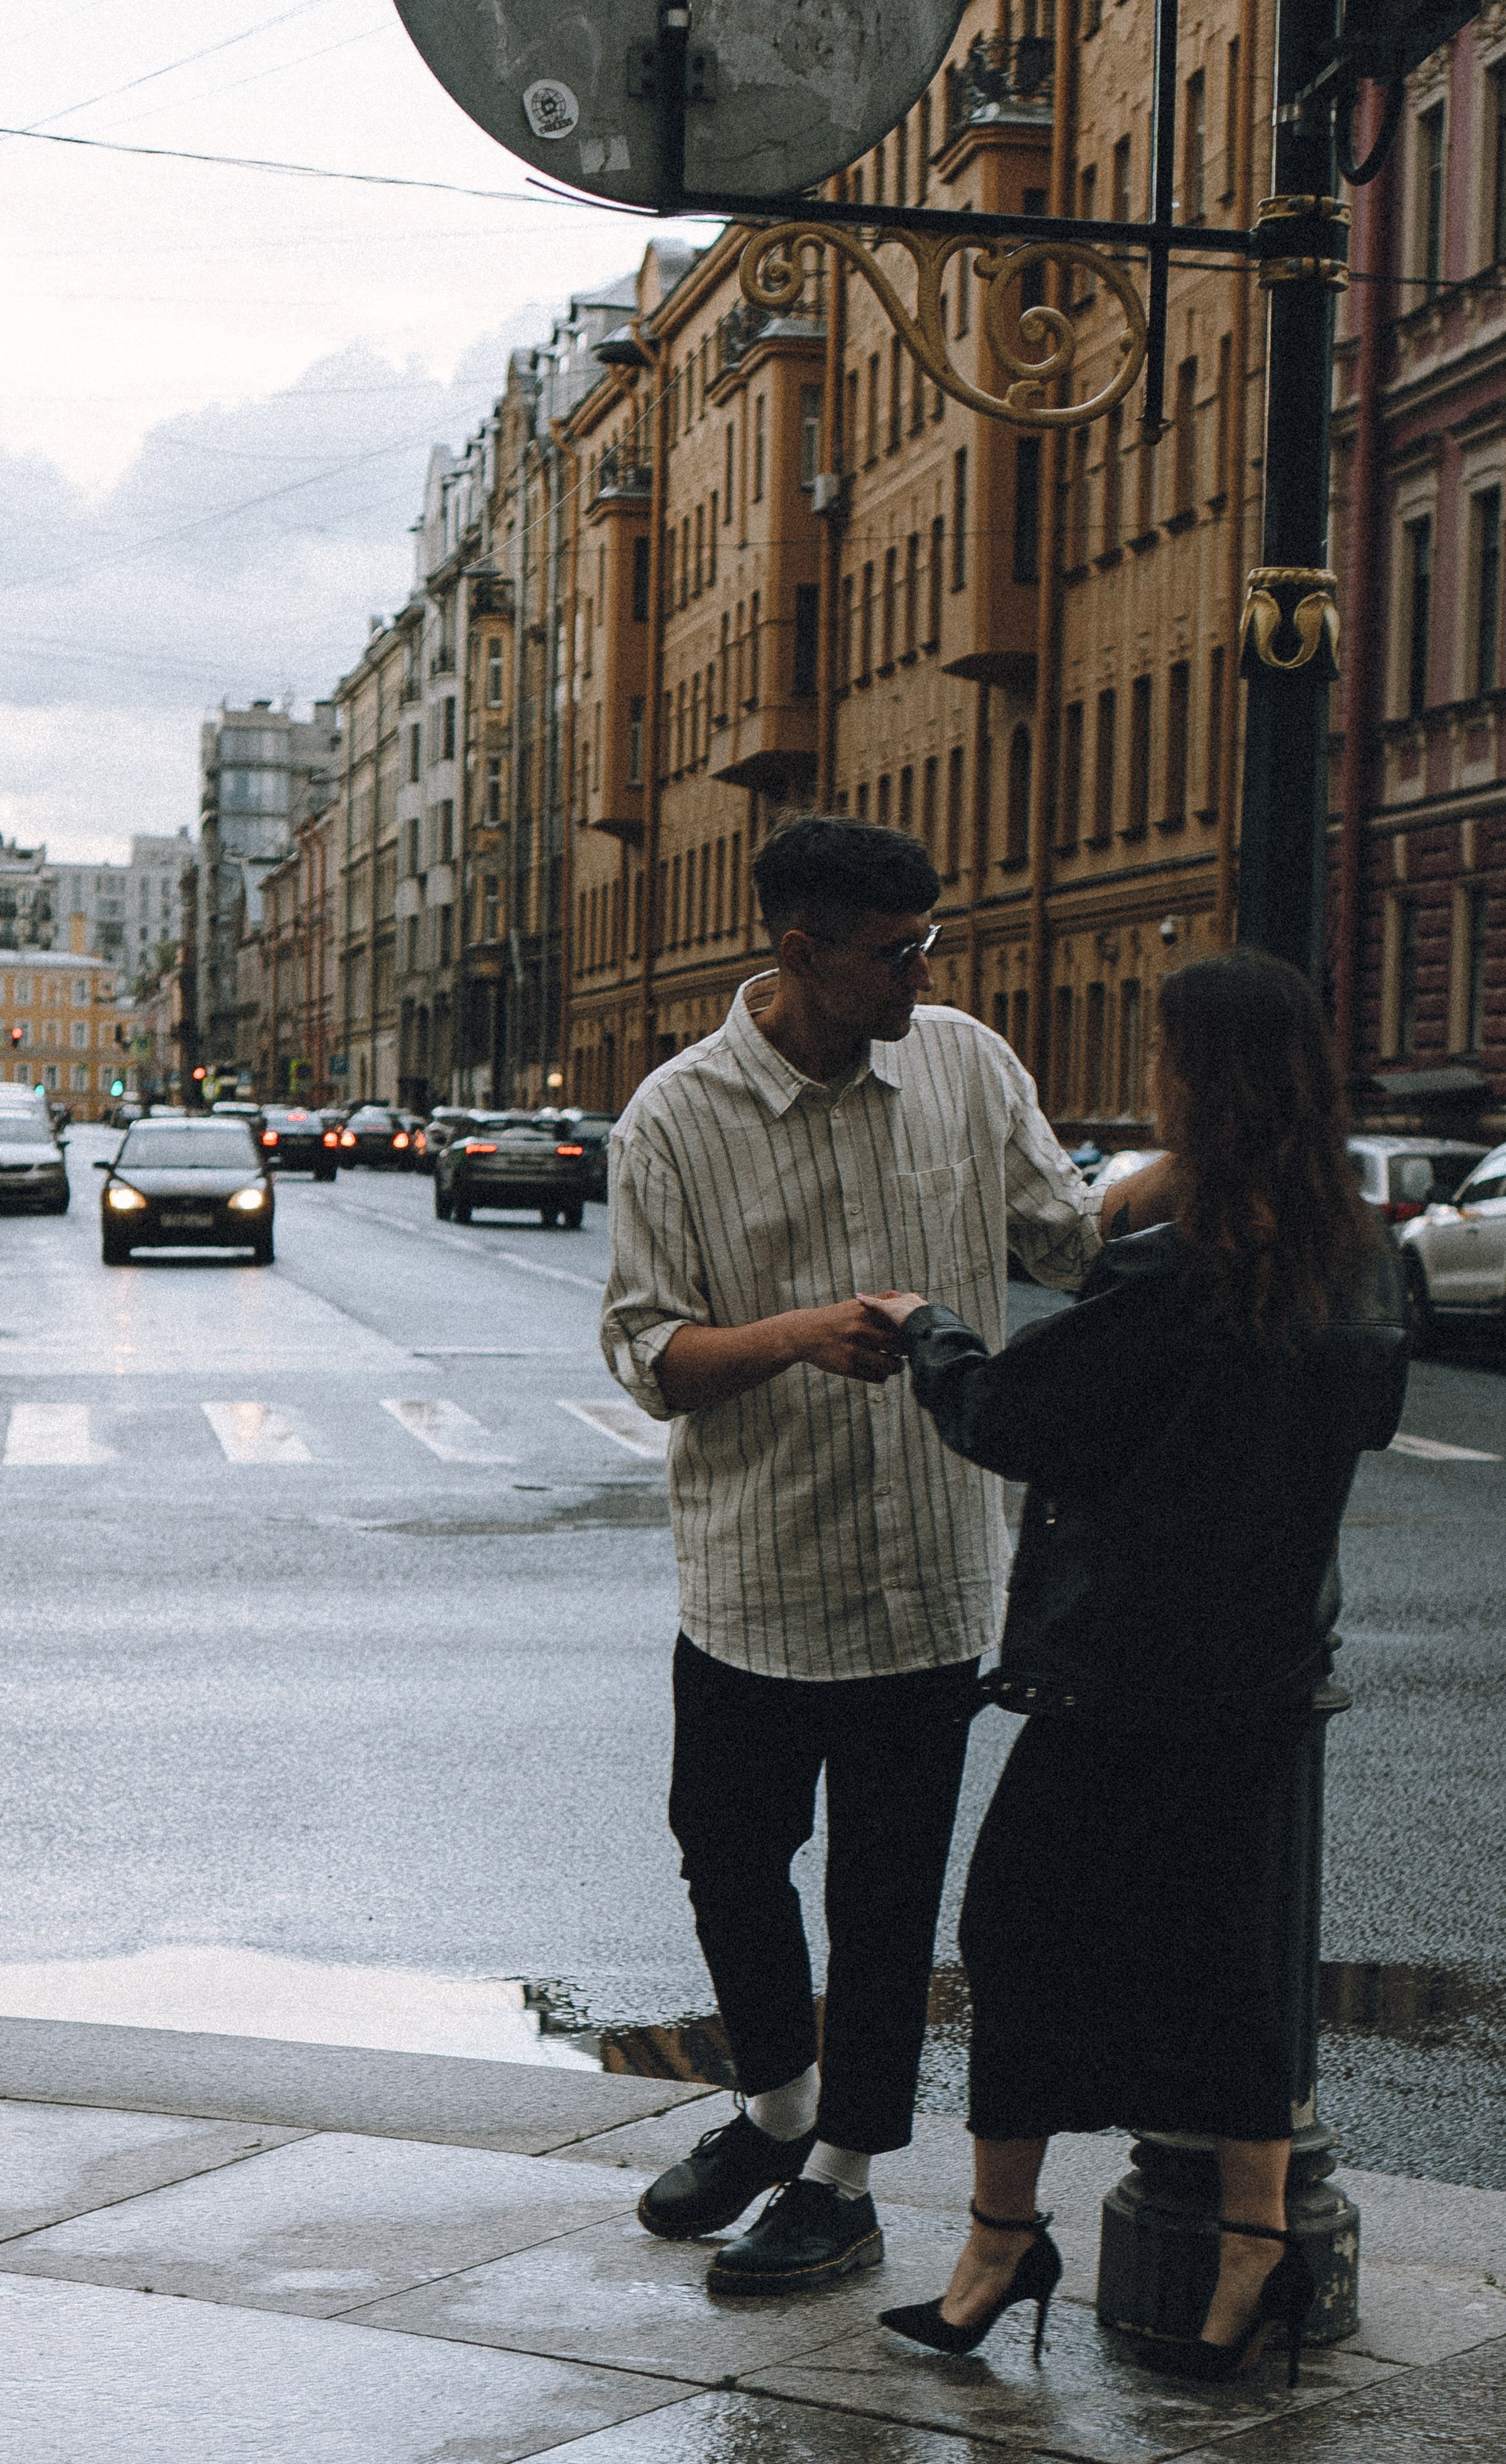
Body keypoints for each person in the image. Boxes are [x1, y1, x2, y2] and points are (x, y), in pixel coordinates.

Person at [599, 816, 1173, 2294]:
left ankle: (844, 2178)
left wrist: (1215, 1163)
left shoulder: (969, 1067)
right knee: (726, 1856)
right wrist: (799, 1335)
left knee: (887, 1900)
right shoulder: (673, 1118)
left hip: (927, 1573)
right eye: (895, 951)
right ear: (800, 952)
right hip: (753, 1575)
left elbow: (1065, 1242)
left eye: (934, 943)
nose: (923, 974)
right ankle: (778, 2112)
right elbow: (650, 1354)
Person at [861, 950, 1407, 2382]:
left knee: (1019, 1935)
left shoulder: (1172, 1272)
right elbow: (1367, 1415)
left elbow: (1011, 1414)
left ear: (1195, 1084)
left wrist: (925, 1330)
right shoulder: (1351, 1256)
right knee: (1231, 1974)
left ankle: (1000, 2241)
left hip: (1124, 1678)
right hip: (1267, 1676)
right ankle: (1255, 2261)